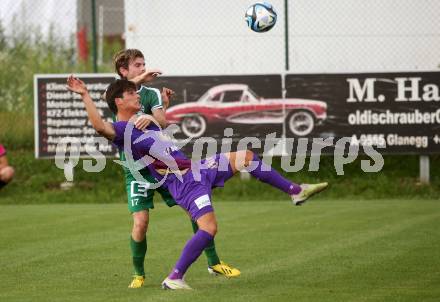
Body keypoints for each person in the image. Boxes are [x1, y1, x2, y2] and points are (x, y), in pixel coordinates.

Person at [67, 77, 328, 290]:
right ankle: (174, 277)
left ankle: (296, 191)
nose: (138, 96)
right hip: (182, 181)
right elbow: (99, 126)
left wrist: (160, 112)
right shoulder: (122, 129)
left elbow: (159, 133)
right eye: (132, 93)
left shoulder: (142, 122)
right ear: (119, 101)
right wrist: (84, 95)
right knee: (209, 228)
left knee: (246, 156)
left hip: (196, 169)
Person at [114, 49, 240, 288]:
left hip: (164, 167)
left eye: (144, 64)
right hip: (137, 171)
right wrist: (141, 79)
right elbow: (121, 92)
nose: (143, 68)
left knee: (194, 208)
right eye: (137, 65)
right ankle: (138, 274)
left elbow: (162, 122)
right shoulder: (119, 94)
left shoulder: (150, 94)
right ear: (124, 70)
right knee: (140, 222)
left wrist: (152, 116)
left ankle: (213, 262)